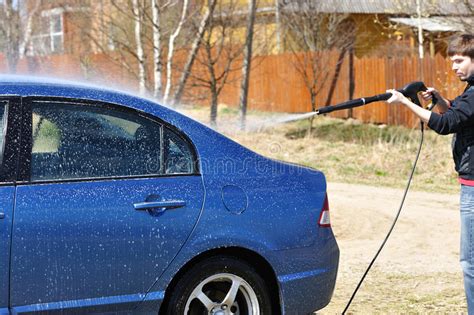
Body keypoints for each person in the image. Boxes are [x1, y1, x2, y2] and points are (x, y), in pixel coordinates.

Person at [386, 33, 474, 313]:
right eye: (452, 61)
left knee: (470, 263)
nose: (454, 67)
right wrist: (439, 99)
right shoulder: (470, 92)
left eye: (460, 60)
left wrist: (404, 102)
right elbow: (458, 116)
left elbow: (445, 124)